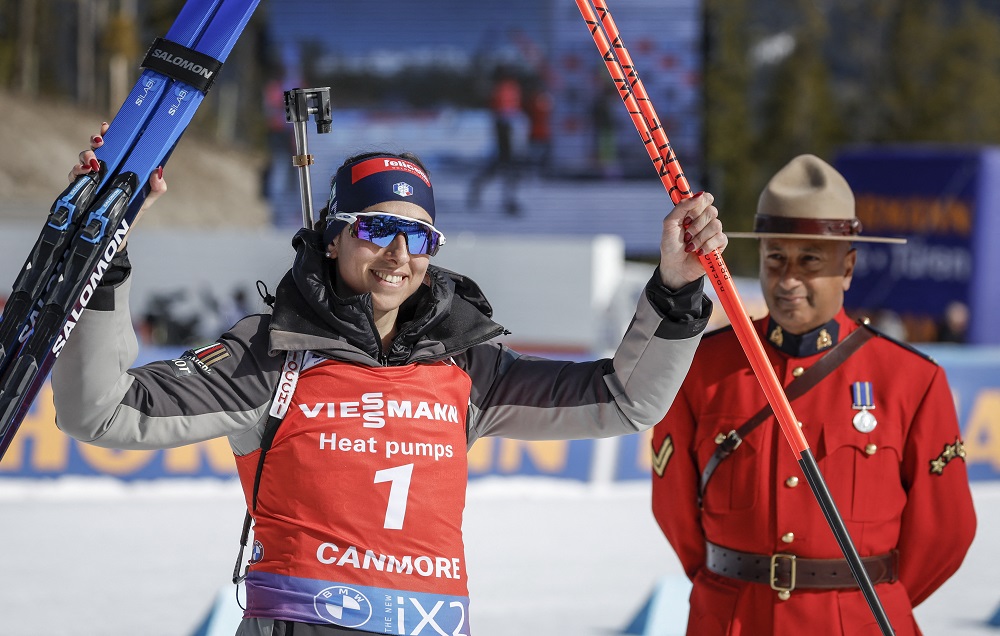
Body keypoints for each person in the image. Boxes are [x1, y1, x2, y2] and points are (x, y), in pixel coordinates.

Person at [52, 125, 727, 636]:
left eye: (420, 237)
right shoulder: (271, 354)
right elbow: (102, 411)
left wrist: (676, 289)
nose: (399, 256)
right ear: (334, 238)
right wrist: (104, 261)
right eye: (376, 230)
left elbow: (625, 398)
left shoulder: (466, 365)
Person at [650, 154, 976, 636]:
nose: (788, 281)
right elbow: (673, 508)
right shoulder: (702, 368)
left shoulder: (909, 380)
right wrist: (734, 588)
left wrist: (868, 598)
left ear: (847, 266)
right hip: (735, 619)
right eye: (775, 258)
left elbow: (945, 531)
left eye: (810, 261)